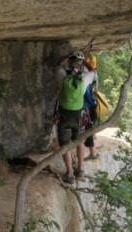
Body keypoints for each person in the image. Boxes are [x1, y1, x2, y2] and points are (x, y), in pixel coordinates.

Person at [56, 52, 96, 184]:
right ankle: (80, 169)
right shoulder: (85, 77)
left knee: (65, 144)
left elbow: (58, 66)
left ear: (69, 63)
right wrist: (84, 61)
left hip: (64, 114)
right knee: (79, 141)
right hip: (79, 114)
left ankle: (69, 173)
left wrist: (66, 58)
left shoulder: (62, 75)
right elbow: (93, 70)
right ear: (80, 64)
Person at [82, 54, 99, 160]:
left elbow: (85, 93)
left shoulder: (87, 76)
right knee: (90, 127)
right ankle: (93, 153)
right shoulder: (95, 74)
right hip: (93, 104)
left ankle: (92, 154)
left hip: (87, 106)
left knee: (87, 130)